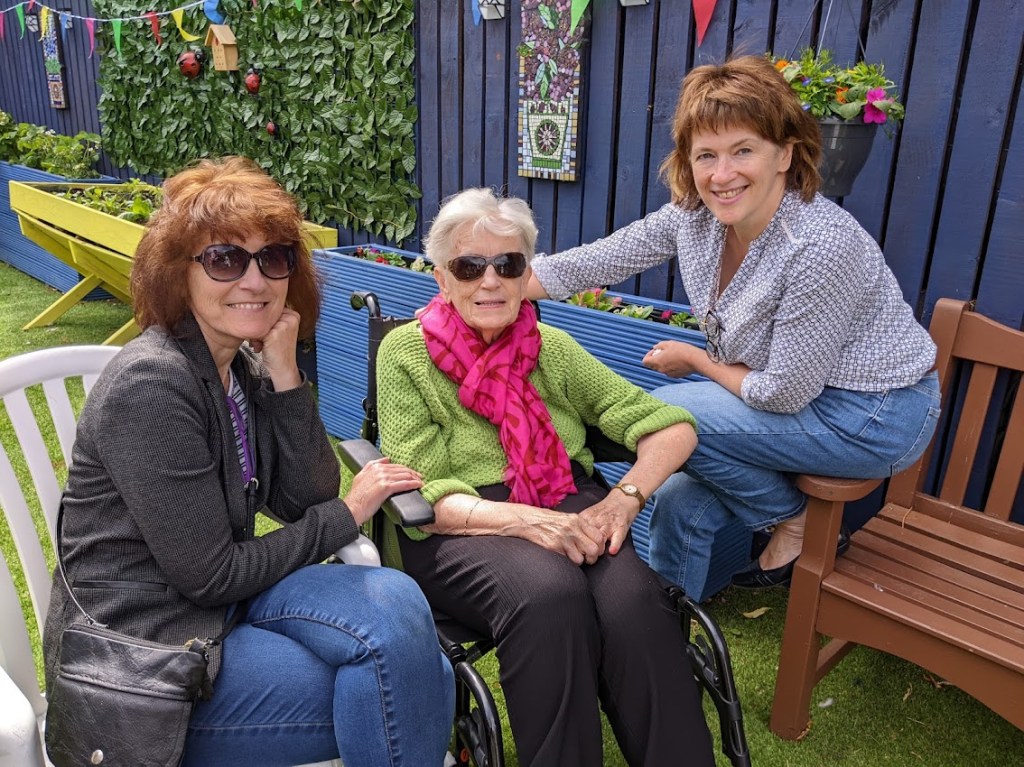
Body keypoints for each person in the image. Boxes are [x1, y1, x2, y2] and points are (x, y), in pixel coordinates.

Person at [42, 156, 454, 767]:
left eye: (274, 258)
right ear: (177, 273)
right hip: (144, 651)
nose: (255, 280)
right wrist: (349, 512)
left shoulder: (235, 366)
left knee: (395, 605)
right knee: (414, 681)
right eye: (225, 259)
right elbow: (214, 573)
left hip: (215, 611)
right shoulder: (153, 383)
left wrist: (285, 373)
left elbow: (303, 497)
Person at [526, 55, 940, 601]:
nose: (722, 175)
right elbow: (592, 263)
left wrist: (696, 360)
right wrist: (488, 290)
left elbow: (781, 393)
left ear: (785, 154)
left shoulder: (819, 247)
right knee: (676, 498)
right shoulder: (693, 218)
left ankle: (791, 522)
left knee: (676, 414)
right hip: (790, 396)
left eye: (743, 150)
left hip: (874, 414)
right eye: (706, 155)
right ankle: (670, 630)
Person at [375, 187, 715, 767]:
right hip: (458, 523)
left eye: (507, 265)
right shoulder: (406, 354)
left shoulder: (551, 348)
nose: (490, 281)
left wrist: (625, 500)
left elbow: (671, 427)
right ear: (441, 278)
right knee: (549, 595)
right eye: (468, 265)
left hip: (569, 502)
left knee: (636, 605)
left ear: (525, 273)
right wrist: (529, 522)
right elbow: (422, 489)